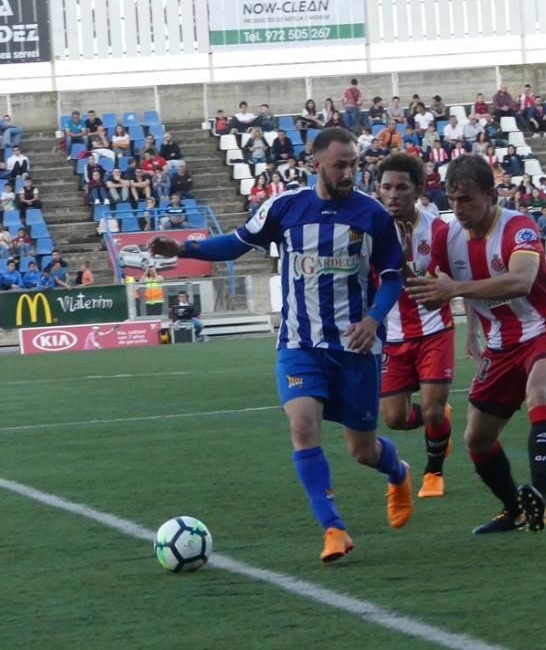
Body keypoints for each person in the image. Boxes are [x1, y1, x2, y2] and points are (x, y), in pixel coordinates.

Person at [149, 127, 410, 563]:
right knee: (302, 426)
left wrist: (373, 317)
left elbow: (393, 277)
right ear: (316, 163)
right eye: (340, 164)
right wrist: (182, 247)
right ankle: (333, 528)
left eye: (354, 164)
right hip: (299, 344)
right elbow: (234, 243)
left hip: (355, 348)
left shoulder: (373, 217)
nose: (349, 172)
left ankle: (397, 471)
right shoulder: (285, 207)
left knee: (361, 450)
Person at [405, 154, 546, 535]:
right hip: (501, 344)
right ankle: (512, 509)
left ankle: (539, 495)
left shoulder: (519, 227)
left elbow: (520, 281)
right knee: (477, 439)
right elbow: (436, 284)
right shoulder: (445, 234)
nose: (458, 208)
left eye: (466, 199)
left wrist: (455, 289)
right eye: (451, 200)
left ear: (490, 194)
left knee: (539, 392)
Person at [374, 153, 455, 497]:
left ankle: (433, 472)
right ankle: (441, 419)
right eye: (386, 187)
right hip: (392, 337)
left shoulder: (438, 231)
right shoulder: (369, 230)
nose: (393, 194)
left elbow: (451, 280)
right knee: (393, 418)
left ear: (419, 189)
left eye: (401, 187)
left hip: (435, 330)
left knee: (433, 408)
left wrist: (475, 334)